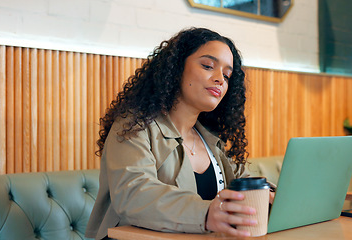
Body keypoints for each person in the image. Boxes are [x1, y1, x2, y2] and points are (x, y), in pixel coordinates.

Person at [85, 27, 273, 240]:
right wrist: (205, 213)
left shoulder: (210, 140)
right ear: (176, 68)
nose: (220, 79)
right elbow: (134, 193)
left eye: (227, 75)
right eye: (208, 66)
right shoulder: (133, 126)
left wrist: (270, 195)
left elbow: (243, 181)